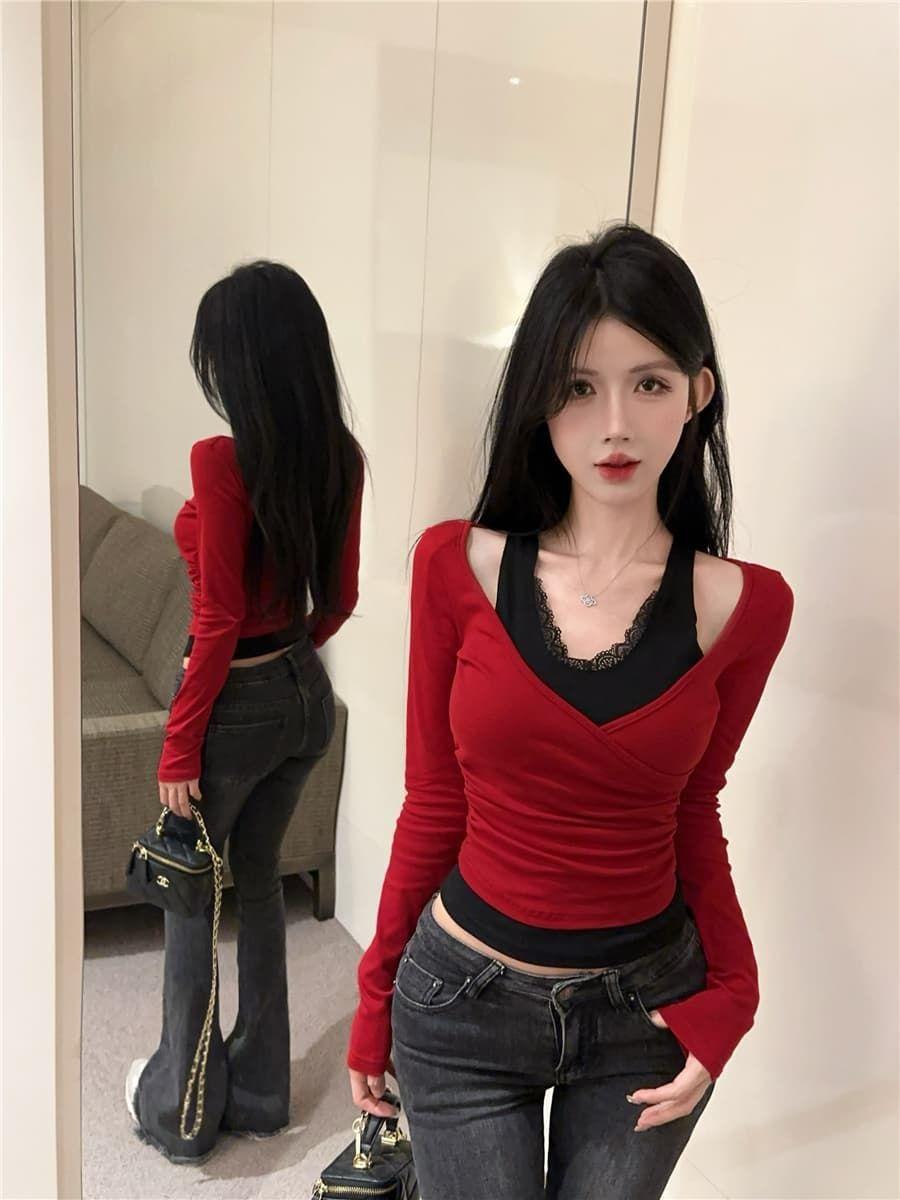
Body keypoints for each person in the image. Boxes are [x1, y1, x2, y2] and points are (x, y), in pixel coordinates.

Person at [345, 223, 794, 1199]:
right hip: (464, 1007)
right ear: (539, 401)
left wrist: (735, 995)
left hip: (646, 1010)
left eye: (649, 384)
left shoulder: (746, 606)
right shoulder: (454, 566)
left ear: (698, 394)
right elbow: (433, 799)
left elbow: (693, 808)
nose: (615, 425)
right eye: (579, 387)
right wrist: (373, 1000)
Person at [126, 260, 366, 1164]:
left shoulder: (221, 460)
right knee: (256, 881)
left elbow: (219, 619)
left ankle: (180, 1112)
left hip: (235, 705)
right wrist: (292, 657)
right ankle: (262, 1094)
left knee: (189, 896)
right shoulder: (339, 457)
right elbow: (338, 600)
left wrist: (179, 743)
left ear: (243, 363)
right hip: (306, 698)